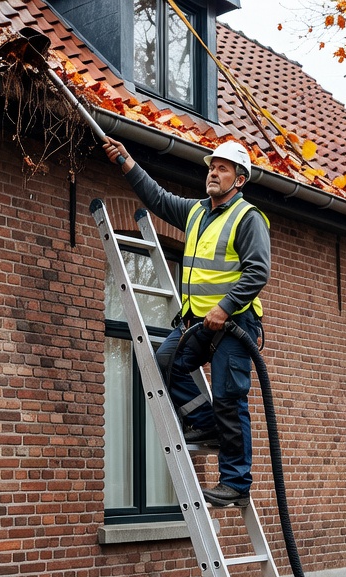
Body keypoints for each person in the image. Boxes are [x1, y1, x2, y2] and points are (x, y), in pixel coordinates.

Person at [102, 136, 270, 509]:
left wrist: (224, 308)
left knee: (229, 397)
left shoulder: (248, 218)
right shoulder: (195, 212)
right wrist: (127, 161)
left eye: (222, 168)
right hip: (197, 320)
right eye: (212, 167)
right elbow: (158, 198)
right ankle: (204, 421)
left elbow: (258, 271)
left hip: (233, 323)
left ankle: (236, 483)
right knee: (165, 362)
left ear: (239, 180)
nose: (213, 172)